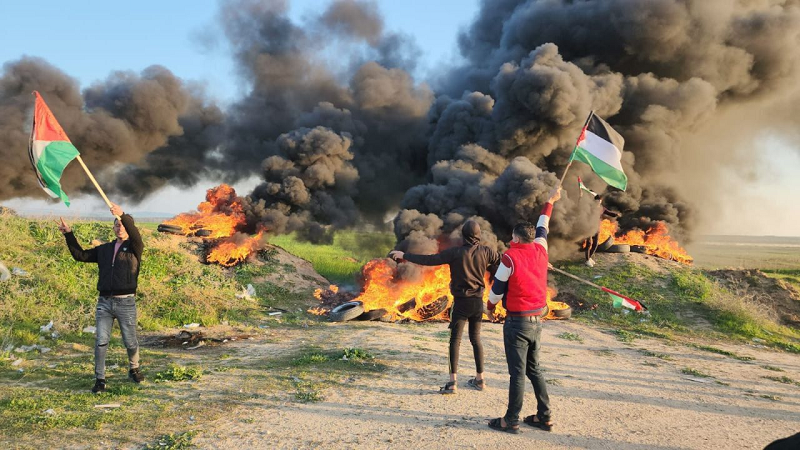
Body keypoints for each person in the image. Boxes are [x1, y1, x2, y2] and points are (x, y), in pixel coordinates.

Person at [389, 220, 501, 394]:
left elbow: (429, 260)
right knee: (476, 339)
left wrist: (405, 255)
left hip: (461, 303)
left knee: (455, 341)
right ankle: (480, 380)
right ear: (479, 235)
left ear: (463, 236)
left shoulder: (455, 253)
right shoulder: (486, 252)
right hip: (478, 303)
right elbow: (506, 262)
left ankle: (452, 383)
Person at [486, 186, 561, 434]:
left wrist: (489, 308)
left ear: (516, 238)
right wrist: (550, 201)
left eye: (512, 237)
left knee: (517, 374)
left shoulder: (509, 257)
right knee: (534, 369)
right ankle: (544, 417)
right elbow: (543, 225)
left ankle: (511, 420)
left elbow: (497, 290)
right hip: (537, 321)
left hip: (517, 323)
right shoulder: (541, 249)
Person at [57, 203, 145, 393]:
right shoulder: (104, 249)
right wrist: (68, 234)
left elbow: (135, 233)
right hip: (104, 303)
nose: (120, 227)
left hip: (126, 302)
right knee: (101, 341)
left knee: (130, 341)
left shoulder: (135, 247)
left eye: (123, 225)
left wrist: (122, 215)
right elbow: (80, 255)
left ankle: (134, 368)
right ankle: (100, 379)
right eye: (117, 225)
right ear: (113, 228)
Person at [584, 194, 619, 267]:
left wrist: (616, 214)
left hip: (597, 228)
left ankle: (589, 257)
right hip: (589, 228)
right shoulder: (589, 207)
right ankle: (587, 260)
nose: (598, 202)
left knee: (595, 244)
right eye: (597, 201)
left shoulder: (602, 208)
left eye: (600, 201)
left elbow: (609, 213)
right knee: (589, 243)